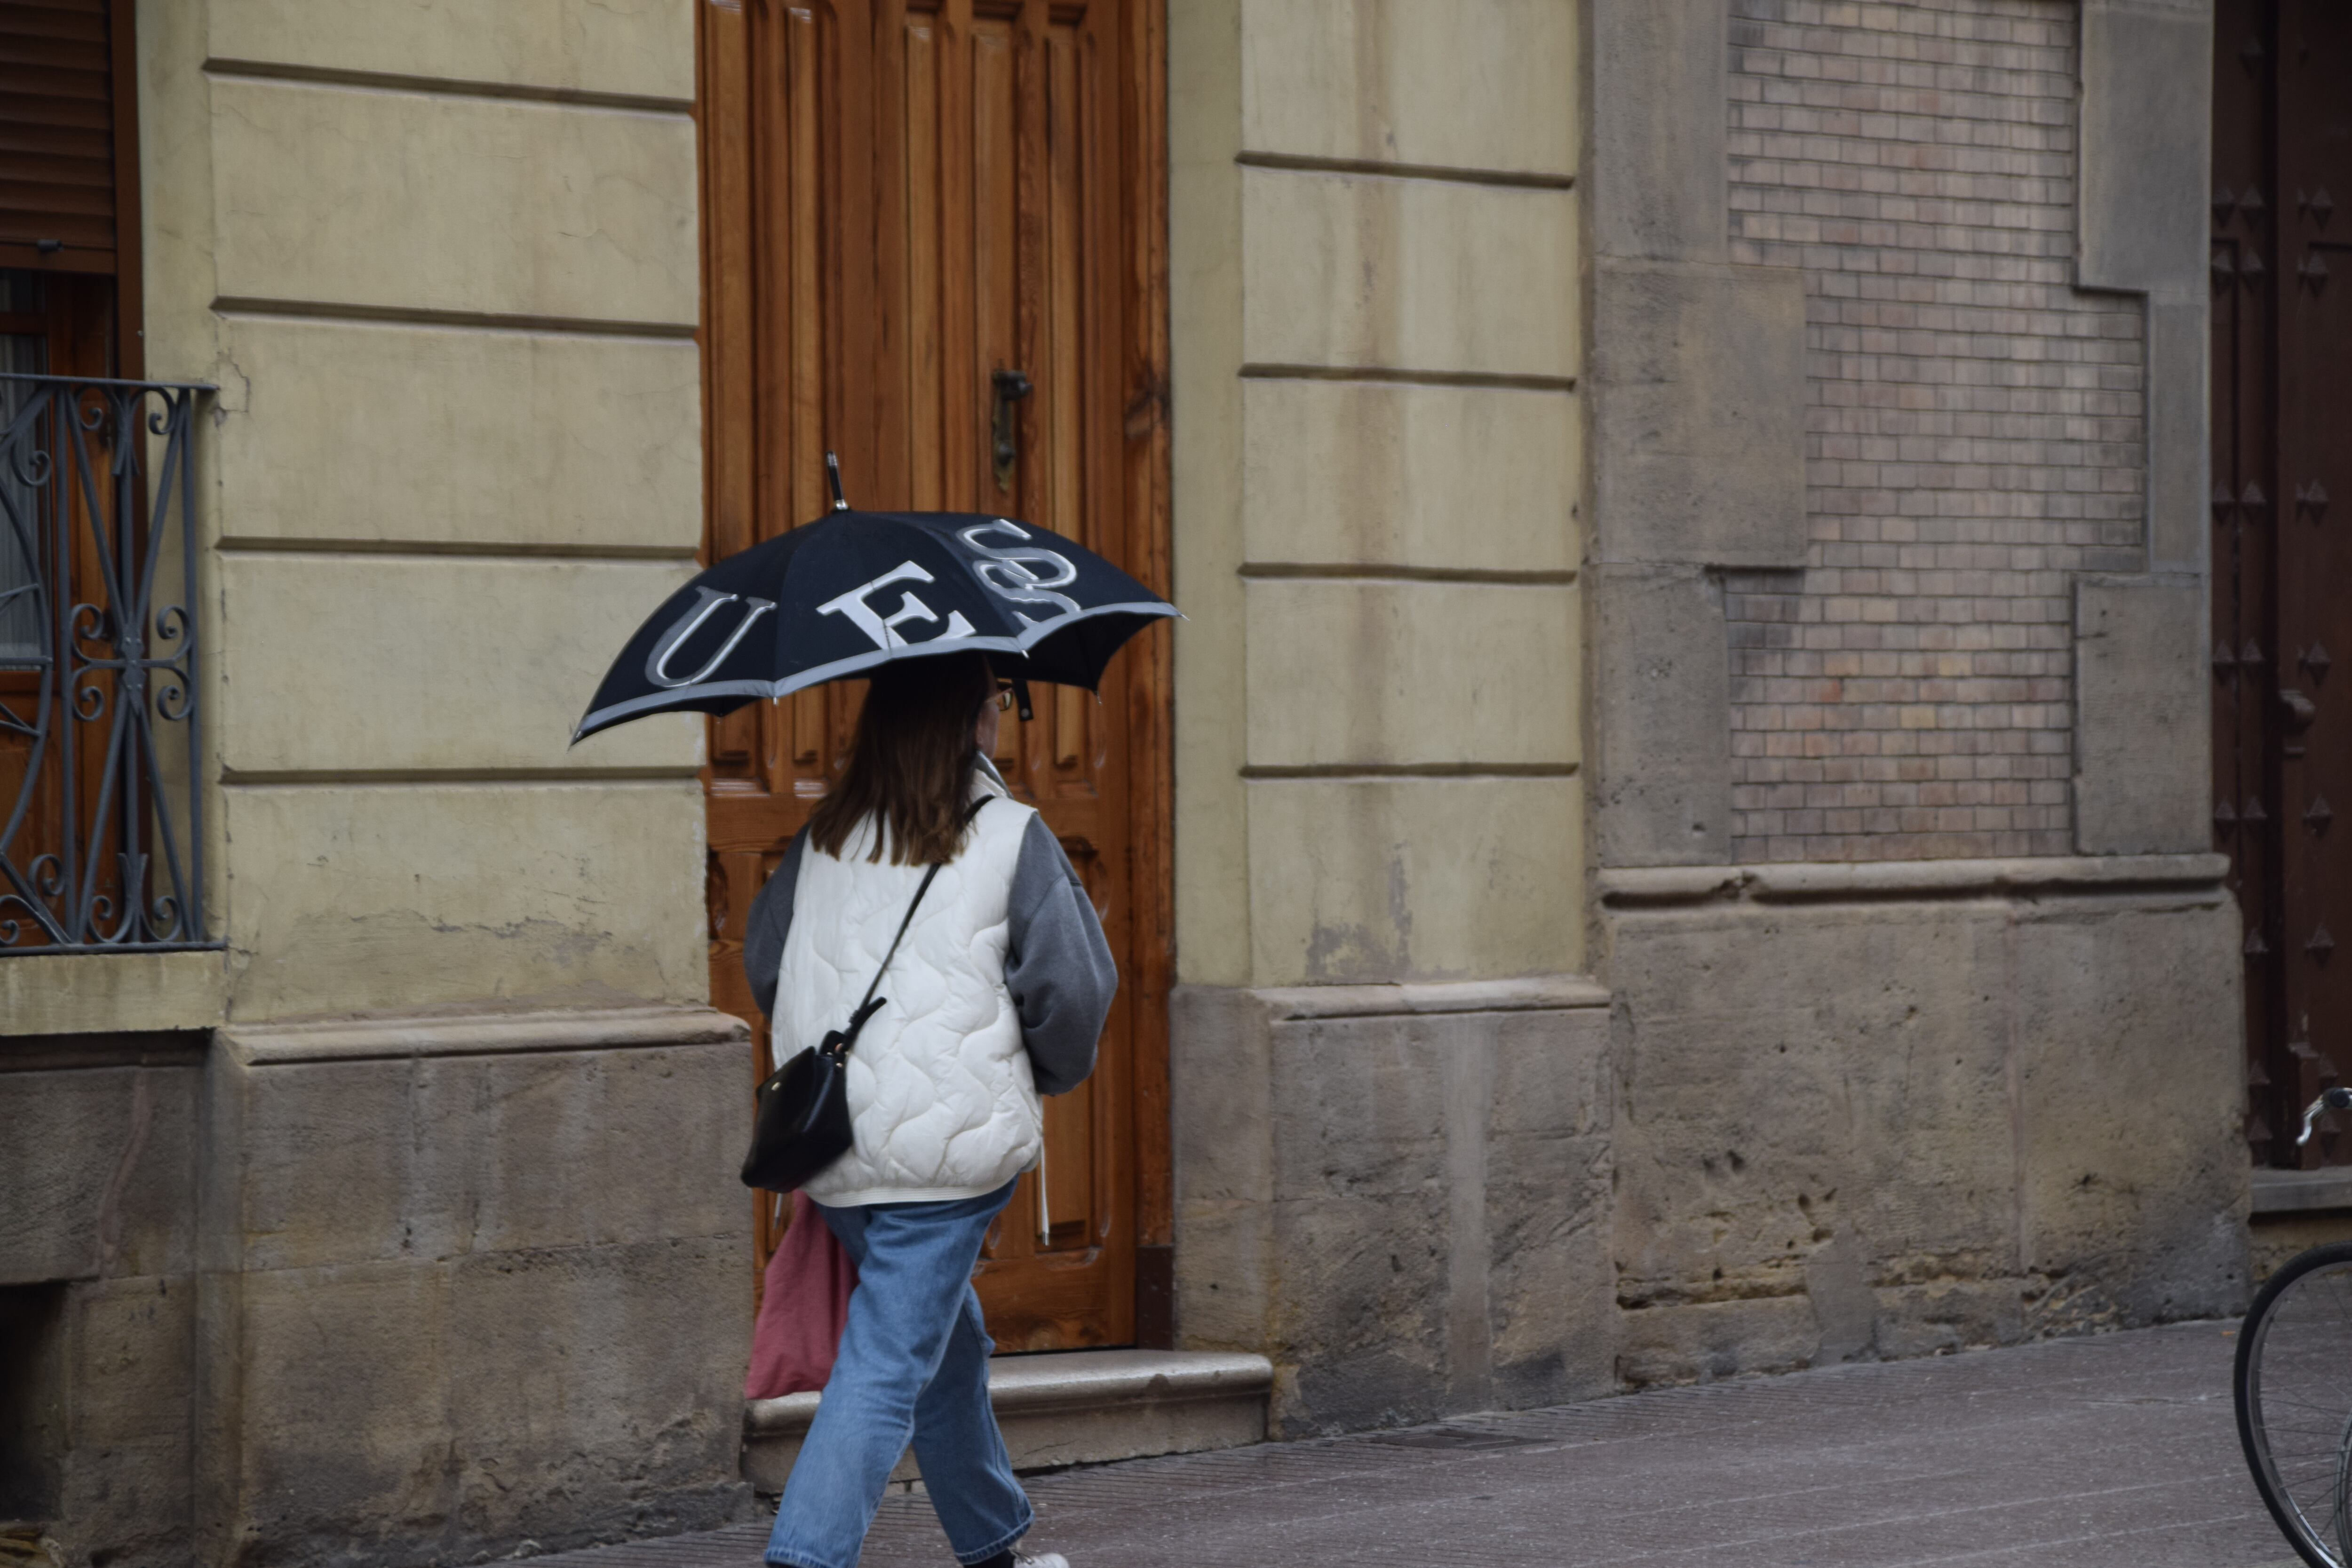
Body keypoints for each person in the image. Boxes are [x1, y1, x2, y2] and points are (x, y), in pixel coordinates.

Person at [742, 652, 1116, 1568]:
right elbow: (1074, 988)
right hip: (946, 1160)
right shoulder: (1009, 833)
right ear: (972, 722)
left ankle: (992, 1544)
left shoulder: (821, 836)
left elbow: (765, 960)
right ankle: (804, 1557)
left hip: (836, 1149)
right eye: (992, 703)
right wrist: (1042, 1071)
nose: (997, 717)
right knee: (881, 1366)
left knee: (945, 1340)